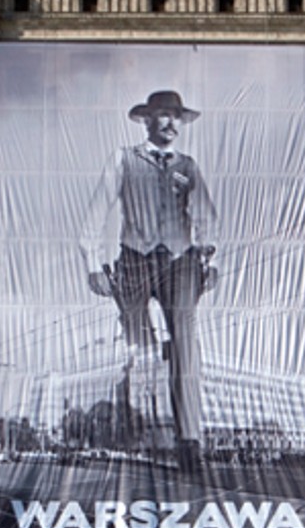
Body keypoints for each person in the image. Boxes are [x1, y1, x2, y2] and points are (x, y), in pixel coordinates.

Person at [80, 90, 218, 473]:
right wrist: (93, 263)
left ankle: (189, 442)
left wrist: (210, 258)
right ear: (147, 120)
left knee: (186, 345)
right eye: (163, 115)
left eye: (176, 116)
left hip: (180, 261)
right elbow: (96, 212)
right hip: (135, 259)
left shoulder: (187, 167)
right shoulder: (123, 159)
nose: (171, 123)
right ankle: (131, 430)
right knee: (136, 343)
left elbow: (206, 217)